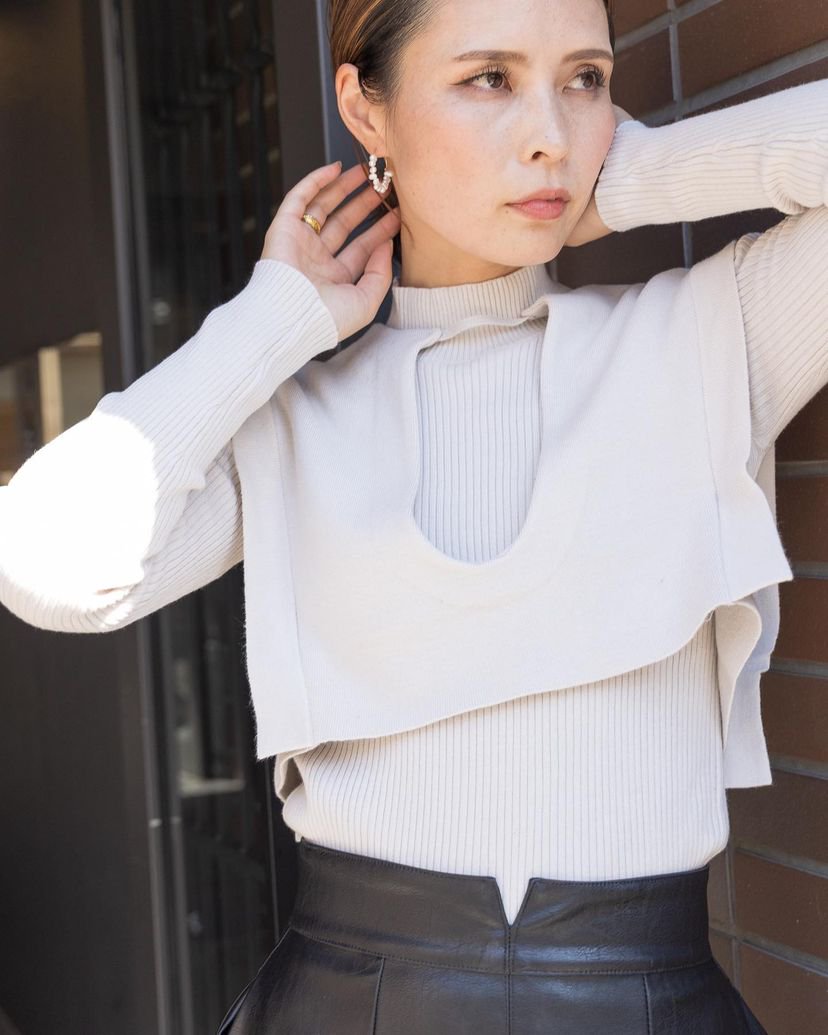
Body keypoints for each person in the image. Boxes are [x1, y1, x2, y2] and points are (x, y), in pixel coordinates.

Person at [1, 0, 826, 1031]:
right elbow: (43, 564)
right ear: (365, 108)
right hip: (354, 1004)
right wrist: (274, 316)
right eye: (489, 78)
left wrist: (633, 177)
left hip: (649, 1002)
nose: (550, 133)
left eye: (584, 79)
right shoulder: (292, 422)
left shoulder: (710, 338)